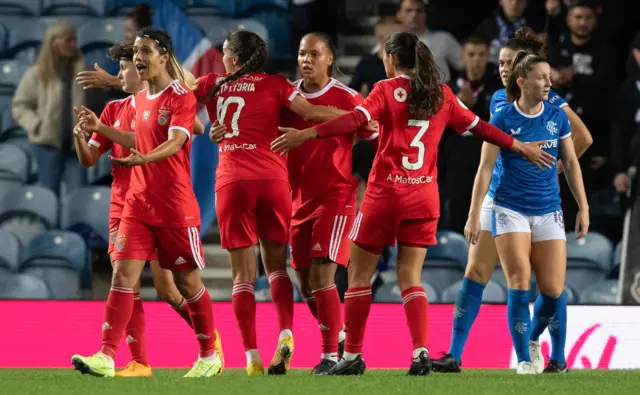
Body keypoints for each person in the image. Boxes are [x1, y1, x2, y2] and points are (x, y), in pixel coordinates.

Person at [272, 31, 554, 376]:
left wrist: (308, 133)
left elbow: (354, 121)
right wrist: (520, 146)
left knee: (359, 277)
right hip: (423, 198)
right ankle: (420, 352)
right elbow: (481, 127)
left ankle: (353, 355)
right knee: (411, 277)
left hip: (384, 197)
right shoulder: (441, 94)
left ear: (391, 59)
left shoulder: (385, 90)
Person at [432, 27, 592, 374]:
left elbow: (583, 138)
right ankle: (455, 354)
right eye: (500, 62)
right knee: (476, 272)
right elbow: (489, 160)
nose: (502, 68)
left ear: (523, 68)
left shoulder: (550, 102)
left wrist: (550, 173)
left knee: (549, 284)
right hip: (499, 199)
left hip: (536, 201)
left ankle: (554, 354)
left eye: (509, 63)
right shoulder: (499, 100)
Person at [70, 28, 222, 378]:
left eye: (145, 51)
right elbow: (111, 144)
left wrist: (146, 158)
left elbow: (176, 141)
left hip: (174, 204)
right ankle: (108, 356)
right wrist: (92, 131)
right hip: (135, 205)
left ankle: (208, 352)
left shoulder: (180, 97)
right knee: (123, 276)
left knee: (184, 285)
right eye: (135, 51)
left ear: (164, 55)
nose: (138, 57)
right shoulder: (130, 102)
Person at [199, 29, 347, 376]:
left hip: (232, 181)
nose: (221, 59)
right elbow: (309, 112)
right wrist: (355, 115)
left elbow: (172, 92)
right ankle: (285, 332)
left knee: (242, 278)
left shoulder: (211, 84)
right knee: (277, 268)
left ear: (234, 59)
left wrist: (210, 128)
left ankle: (251, 356)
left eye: (224, 53)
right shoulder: (277, 84)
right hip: (273, 181)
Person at [283, 32, 378, 375]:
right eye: (301, 53)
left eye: (313, 54)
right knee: (305, 283)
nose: (306, 59)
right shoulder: (288, 95)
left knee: (324, 274)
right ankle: (338, 336)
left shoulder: (349, 96)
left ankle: (328, 357)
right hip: (298, 200)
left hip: (335, 197)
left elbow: (372, 130)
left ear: (329, 59)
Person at [488, 51, 589, 373]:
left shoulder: (557, 116)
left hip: (549, 209)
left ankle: (532, 337)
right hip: (510, 207)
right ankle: (522, 360)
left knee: (553, 289)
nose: (549, 82)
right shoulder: (502, 117)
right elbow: (484, 167)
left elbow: (571, 162)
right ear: (523, 82)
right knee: (519, 281)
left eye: (549, 77)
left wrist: (583, 207)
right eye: (542, 77)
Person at [12, 22, 96, 195]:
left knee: (78, 193)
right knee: (48, 194)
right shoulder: (36, 73)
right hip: (47, 146)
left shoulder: (83, 71)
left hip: (77, 146)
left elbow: (96, 103)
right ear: (54, 43)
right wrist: (37, 124)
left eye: (75, 40)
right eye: (68, 40)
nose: (74, 45)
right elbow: (20, 106)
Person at [76, 4, 152, 90]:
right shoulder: (120, 56)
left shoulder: (150, 57)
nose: (126, 35)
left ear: (143, 30)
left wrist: (110, 81)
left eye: (129, 30)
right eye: (125, 31)